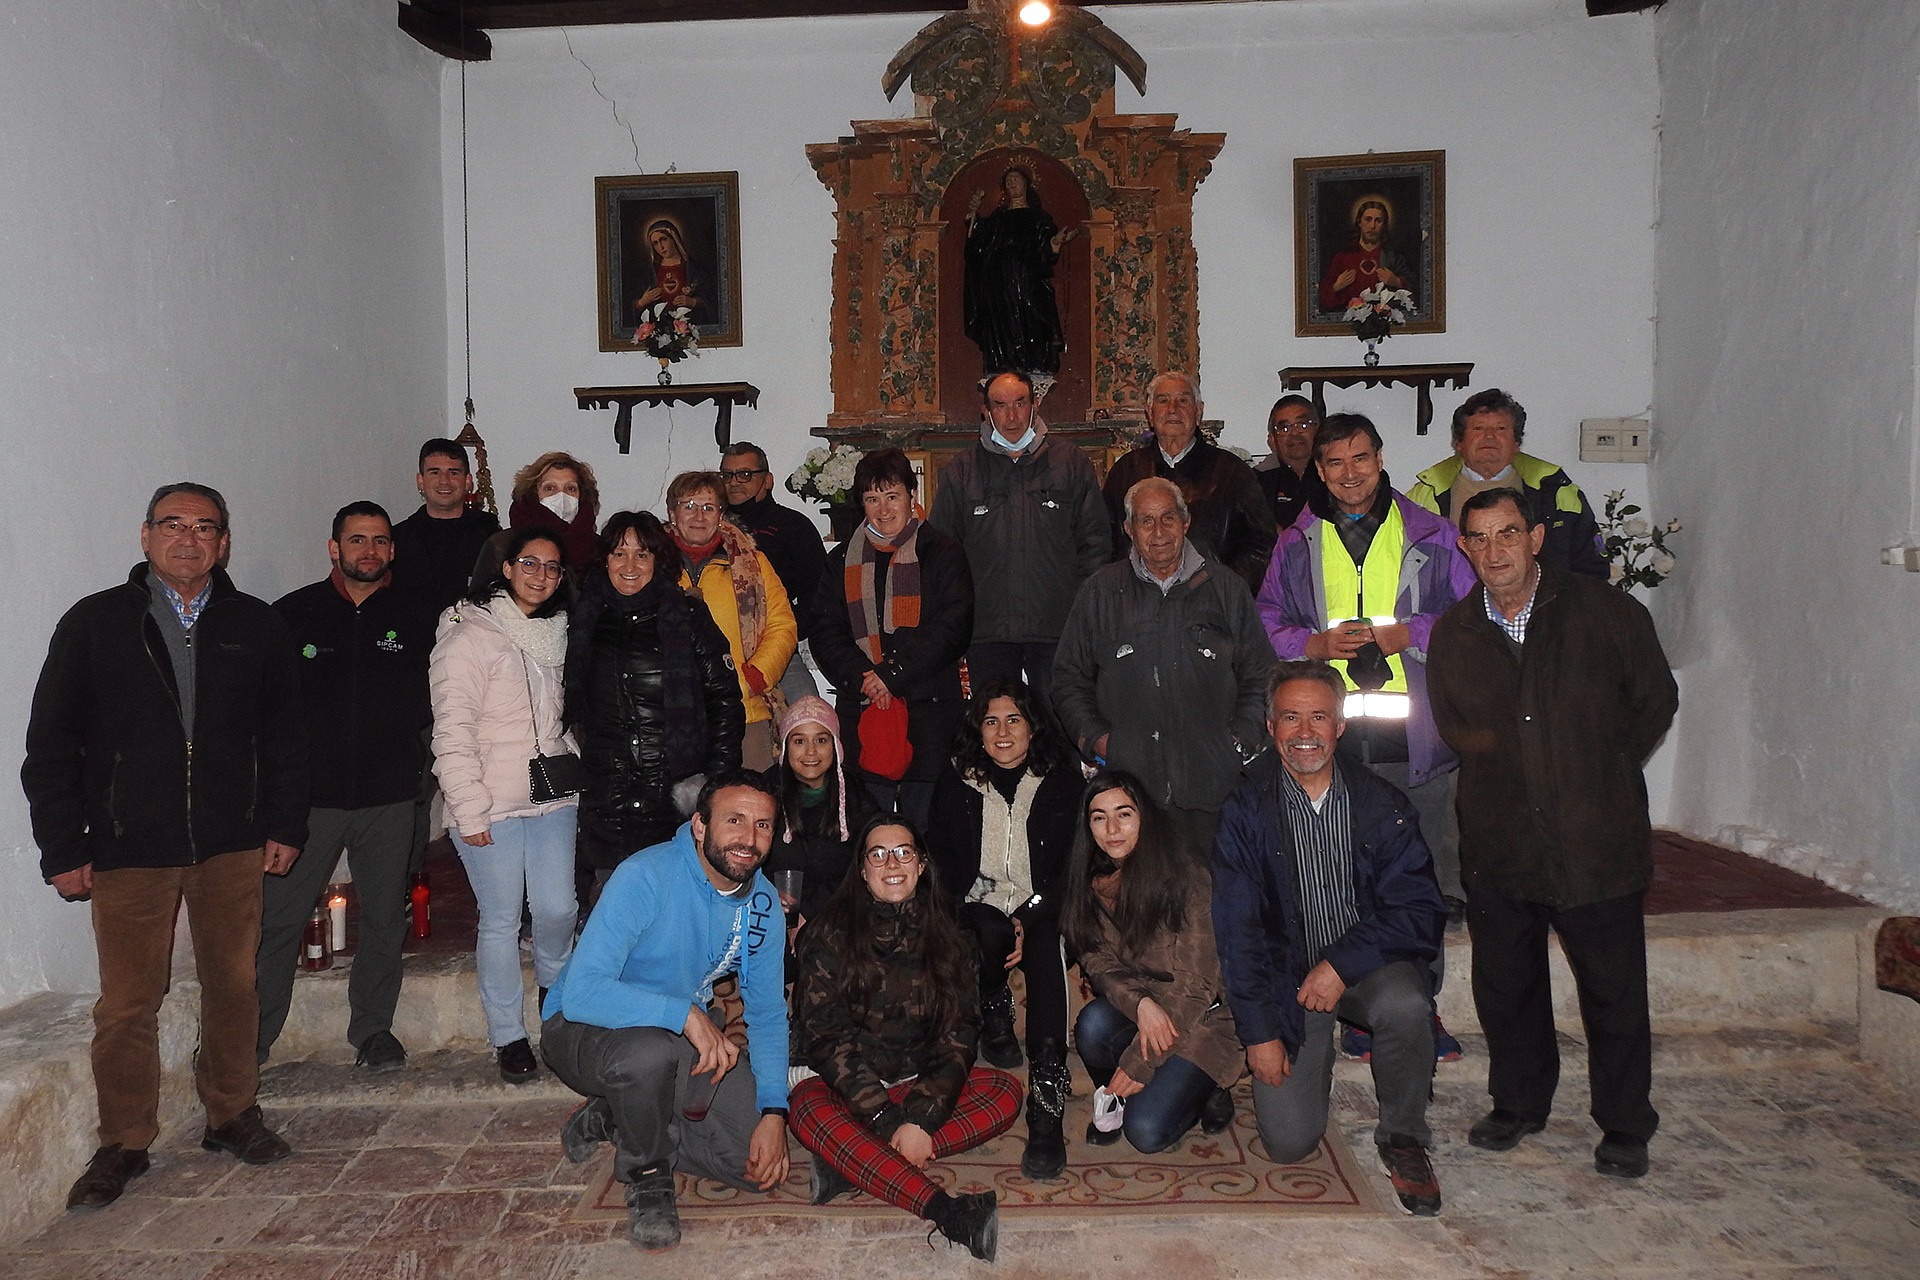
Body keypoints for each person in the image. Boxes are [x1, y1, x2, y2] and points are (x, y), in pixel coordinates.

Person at [23, 483, 307, 1210]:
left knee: (234, 986)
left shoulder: (255, 625)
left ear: (225, 542)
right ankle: (122, 1141)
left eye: (205, 527)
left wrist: (283, 823)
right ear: (146, 536)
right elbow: (51, 744)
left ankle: (232, 1113)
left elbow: (284, 737)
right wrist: (62, 846)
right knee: (126, 1002)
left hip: (231, 842)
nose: (189, 539)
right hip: (128, 846)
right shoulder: (94, 624)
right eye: (173, 525)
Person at [1427, 488, 1678, 1179]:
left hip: (1594, 839)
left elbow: (1654, 700)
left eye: (1507, 533)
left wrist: (1595, 769)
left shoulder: (1604, 612)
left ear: (1535, 537)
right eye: (1477, 539)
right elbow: (1454, 726)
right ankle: (1517, 1104)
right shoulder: (1455, 633)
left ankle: (1626, 1122)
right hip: (1501, 839)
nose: (1494, 551)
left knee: (1613, 990)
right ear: (1464, 549)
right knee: (1507, 988)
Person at [1212, 661, 1449, 1216]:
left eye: (1319, 717)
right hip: (1287, 978)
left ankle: (1404, 1137)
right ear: (1270, 726)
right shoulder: (1246, 809)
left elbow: (1419, 909)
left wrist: (1341, 963)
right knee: (1289, 1144)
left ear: (1340, 726)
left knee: (1407, 1004)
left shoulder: (1380, 804)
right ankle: (1312, 1053)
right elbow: (1237, 933)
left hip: (1364, 967)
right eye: (1290, 718)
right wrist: (1260, 1033)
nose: (1304, 732)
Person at [540, 772, 791, 1252]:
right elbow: (583, 993)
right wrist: (687, 1016)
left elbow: (767, 1012)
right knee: (646, 1053)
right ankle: (648, 1175)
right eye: (734, 821)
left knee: (754, 1165)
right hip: (583, 1027)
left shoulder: (762, 903)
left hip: (675, 1034)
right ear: (700, 826)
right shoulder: (645, 875)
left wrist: (775, 1110)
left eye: (762, 825)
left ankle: (618, 1117)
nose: (749, 839)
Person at [1256, 413, 1476, 914]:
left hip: (1417, 730)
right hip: (1334, 733)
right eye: (1335, 462)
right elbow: (1266, 616)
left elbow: (1471, 619)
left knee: (1428, 879)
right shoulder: (1297, 543)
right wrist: (1313, 646)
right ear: (1320, 470)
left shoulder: (1433, 536)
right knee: (1344, 876)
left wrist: (1410, 633)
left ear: (1380, 460)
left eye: (1360, 458)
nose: (1349, 472)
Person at [258, 502, 436, 1073]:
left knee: (385, 916)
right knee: (279, 920)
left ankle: (373, 1031)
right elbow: (262, 713)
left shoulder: (418, 617)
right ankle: (249, 1043)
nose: (369, 551)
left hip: (390, 797)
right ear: (334, 548)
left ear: (392, 550)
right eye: (357, 540)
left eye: (380, 541)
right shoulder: (291, 616)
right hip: (307, 803)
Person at [789, 814, 1016, 1262]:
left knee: (1006, 1093)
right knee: (803, 1108)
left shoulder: (953, 931)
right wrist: (888, 1123)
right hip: (843, 1088)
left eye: (903, 852)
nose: (891, 862)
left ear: (921, 864)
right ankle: (950, 1213)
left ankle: (852, 1166)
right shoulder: (825, 933)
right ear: (862, 868)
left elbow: (960, 1032)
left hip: (914, 1081)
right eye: (878, 853)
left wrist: (922, 1117)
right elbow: (827, 1039)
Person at [1053, 476, 1273, 853]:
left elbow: (1261, 675)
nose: (1158, 532)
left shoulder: (1225, 588)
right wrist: (1100, 742)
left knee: (1214, 903)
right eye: (1146, 520)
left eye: (1168, 518)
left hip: (1214, 789)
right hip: (1131, 795)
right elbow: (1068, 679)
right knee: (1142, 905)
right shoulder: (1099, 592)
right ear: (1128, 529)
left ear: (1186, 523)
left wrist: (1237, 743)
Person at [430, 526, 579, 1084]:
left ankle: (556, 1008)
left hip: (552, 795)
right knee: (499, 919)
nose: (540, 575)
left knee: (559, 909)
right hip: (489, 800)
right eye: (529, 563)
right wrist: (467, 807)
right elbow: (451, 727)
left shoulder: (557, 632)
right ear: (506, 568)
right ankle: (509, 1036)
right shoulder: (469, 632)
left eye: (552, 567)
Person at [924, 679, 1080, 1179]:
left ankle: (1048, 1097)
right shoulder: (957, 779)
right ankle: (993, 1002)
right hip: (979, 904)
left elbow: (1071, 868)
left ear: (1032, 727)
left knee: (1042, 949)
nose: (1003, 731)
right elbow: (942, 861)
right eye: (991, 721)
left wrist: (1029, 916)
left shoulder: (1062, 779)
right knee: (987, 929)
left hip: (1043, 906)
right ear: (979, 730)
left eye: (1014, 719)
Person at [1058, 771, 1240, 1156]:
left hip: (1203, 1017)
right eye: (1098, 817)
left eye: (1123, 814)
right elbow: (1096, 960)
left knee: (1146, 1133)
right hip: (1146, 1006)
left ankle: (1208, 1088)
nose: (1112, 829)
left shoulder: (1188, 876)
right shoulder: (1091, 880)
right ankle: (1143, 1092)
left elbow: (1196, 987)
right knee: (1091, 1025)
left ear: (1144, 817)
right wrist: (1142, 1005)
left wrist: (1140, 1064)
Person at [567, 511, 743, 905]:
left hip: (674, 800)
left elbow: (725, 703)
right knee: (616, 917)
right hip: (605, 799)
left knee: (676, 915)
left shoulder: (689, 616)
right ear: (604, 560)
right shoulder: (583, 619)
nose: (629, 566)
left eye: (642, 555)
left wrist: (715, 787)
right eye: (619, 553)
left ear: (658, 561)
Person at [809, 447, 975, 831]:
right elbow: (825, 629)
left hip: (930, 717)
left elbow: (953, 626)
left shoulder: (944, 552)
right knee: (869, 828)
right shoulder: (841, 562)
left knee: (930, 831)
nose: (883, 509)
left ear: (911, 496)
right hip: (864, 710)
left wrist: (892, 674)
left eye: (892, 496)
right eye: (871, 499)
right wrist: (864, 677)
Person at [928, 370, 1108, 706]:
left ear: (1035, 405)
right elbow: (942, 554)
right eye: (1000, 405)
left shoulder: (1071, 463)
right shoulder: (962, 470)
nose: (1011, 416)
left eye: (1020, 403)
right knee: (996, 732)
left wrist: (1082, 612)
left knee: (1059, 730)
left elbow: (1095, 544)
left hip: (1057, 628)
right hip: (987, 631)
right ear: (986, 411)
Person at [666, 470, 796, 772]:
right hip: (671, 717)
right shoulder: (649, 563)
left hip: (744, 712)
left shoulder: (753, 563)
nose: (699, 515)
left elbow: (782, 625)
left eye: (708, 507)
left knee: (749, 806)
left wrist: (754, 678)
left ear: (721, 515)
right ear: (673, 514)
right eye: (689, 506)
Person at [1102, 372, 1276, 593]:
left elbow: (1261, 546)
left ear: (1198, 412)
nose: (1173, 408)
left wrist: (1221, 590)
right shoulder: (1126, 471)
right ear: (1150, 413)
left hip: (1211, 603)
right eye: (1163, 400)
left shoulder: (1232, 472)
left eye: (1183, 400)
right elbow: (1106, 542)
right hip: (1138, 600)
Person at [1407, 389, 1608, 580]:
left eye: (1500, 428)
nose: (1489, 436)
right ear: (1458, 442)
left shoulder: (1556, 493)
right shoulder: (1424, 495)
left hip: (1543, 611)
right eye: (1478, 428)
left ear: (1516, 443)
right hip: (1450, 611)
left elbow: (1590, 569)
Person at [720, 440, 827, 703]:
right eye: (727, 475)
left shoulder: (793, 527)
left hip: (779, 647)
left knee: (810, 714)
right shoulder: (709, 529)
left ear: (767, 480)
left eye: (745, 474)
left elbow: (820, 595)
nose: (734, 482)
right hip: (721, 652)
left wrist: (784, 634)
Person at [766, 695, 877, 931]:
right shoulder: (764, 793)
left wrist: (808, 913)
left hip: (838, 913)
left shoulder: (858, 798)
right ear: (786, 746)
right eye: (799, 741)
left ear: (835, 746)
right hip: (772, 912)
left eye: (821, 740)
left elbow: (862, 868)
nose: (811, 752)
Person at [962, 166, 1077, 376]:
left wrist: (1055, 242)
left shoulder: (1038, 218)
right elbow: (978, 247)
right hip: (999, 281)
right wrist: (973, 220)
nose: (1012, 183)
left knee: (1031, 316)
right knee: (1001, 322)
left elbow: (1046, 250)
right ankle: (1003, 364)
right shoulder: (997, 218)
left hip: (1028, 280)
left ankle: (1032, 362)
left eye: (1016, 179)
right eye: (1008, 181)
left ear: (1026, 184)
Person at [391, 438, 501, 617]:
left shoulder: (491, 538)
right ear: (420, 481)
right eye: (434, 472)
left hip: (474, 639)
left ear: (467, 481)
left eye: (453, 472)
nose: (444, 481)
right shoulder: (398, 540)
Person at [502, 451, 600, 573]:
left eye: (570, 488)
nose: (561, 495)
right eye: (550, 488)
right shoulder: (502, 545)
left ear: (582, 495)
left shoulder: (600, 549)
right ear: (533, 493)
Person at [1317, 197, 1414, 312]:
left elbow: (1415, 288)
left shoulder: (1393, 257)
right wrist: (1336, 286)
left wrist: (1397, 281)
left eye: (1378, 220)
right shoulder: (1343, 257)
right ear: (1359, 222)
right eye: (1368, 219)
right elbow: (1321, 296)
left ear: (1384, 225)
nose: (1372, 226)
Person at [1254, 395, 1328, 533]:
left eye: (1303, 425)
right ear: (1271, 440)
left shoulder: (1337, 474)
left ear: (1319, 431)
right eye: (1284, 428)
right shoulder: (1255, 482)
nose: (1295, 433)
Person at [632, 218, 713, 327]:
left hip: (688, 326)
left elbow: (712, 298)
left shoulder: (695, 269)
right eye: (655, 243)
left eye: (663, 239)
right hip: (659, 328)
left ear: (674, 238)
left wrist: (693, 302)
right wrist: (642, 302)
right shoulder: (649, 273)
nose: (661, 247)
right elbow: (632, 305)